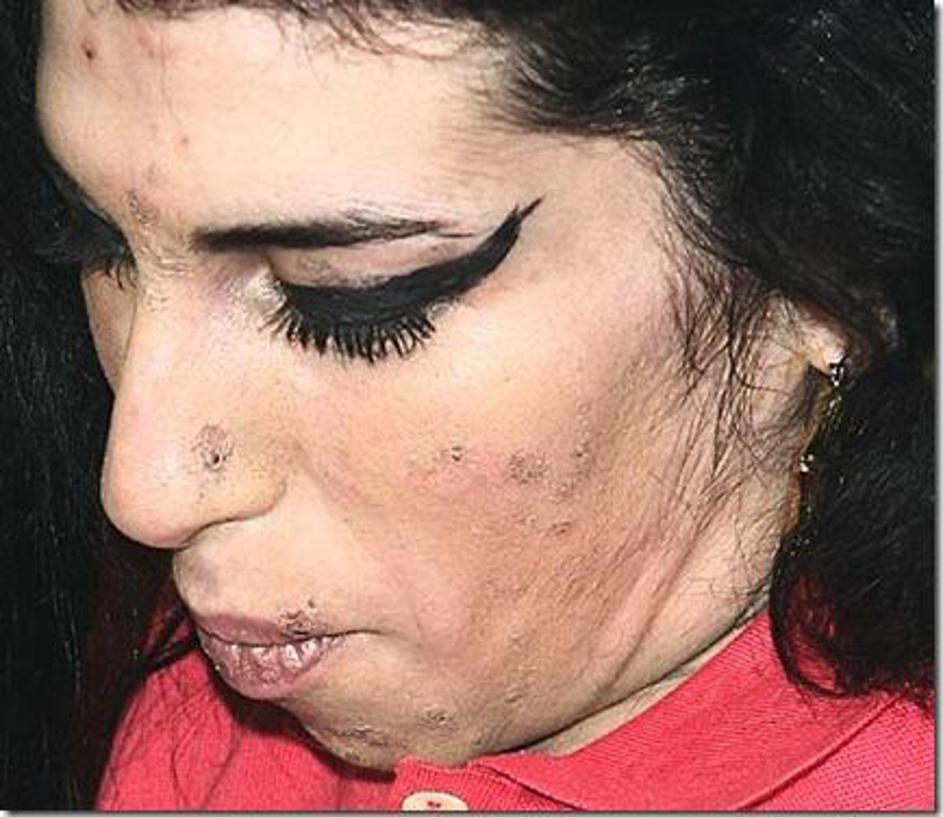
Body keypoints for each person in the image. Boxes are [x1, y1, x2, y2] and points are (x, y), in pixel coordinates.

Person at [13, 0, 933, 809]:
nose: (143, 492)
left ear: (823, 269)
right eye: (97, 245)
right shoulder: (218, 689)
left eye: (347, 301)